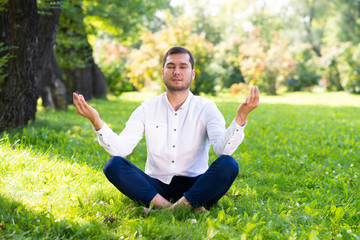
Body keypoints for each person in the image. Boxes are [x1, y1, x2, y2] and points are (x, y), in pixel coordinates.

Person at [73, 46, 259, 211]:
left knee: (228, 165)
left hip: (197, 186)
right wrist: (96, 121)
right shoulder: (147, 108)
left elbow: (222, 149)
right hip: (155, 187)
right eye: (171, 67)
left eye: (182, 67)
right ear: (163, 72)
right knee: (113, 165)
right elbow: (121, 149)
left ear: (192, 74)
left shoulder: (206, 107)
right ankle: (178, 208)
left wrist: (241, 117)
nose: (176, 71)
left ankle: (170, 209)